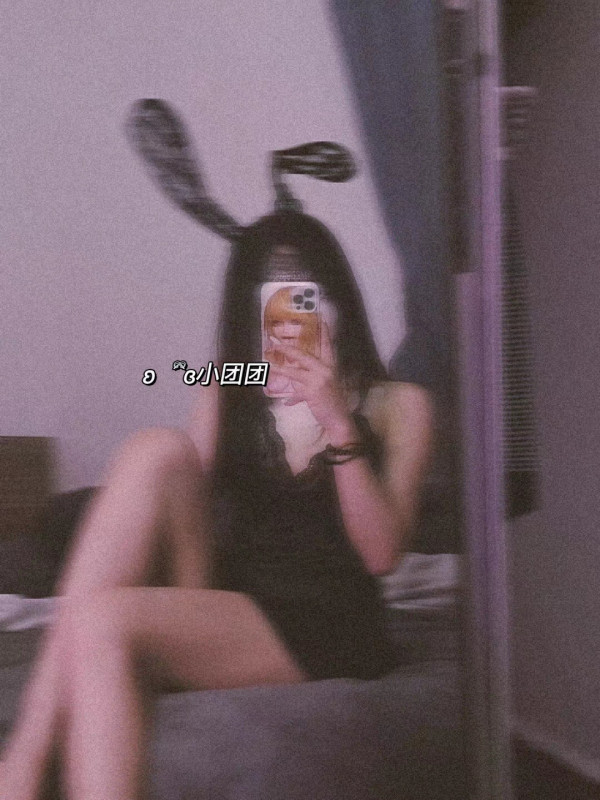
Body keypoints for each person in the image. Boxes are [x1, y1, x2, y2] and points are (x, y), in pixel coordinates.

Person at [0, 212, 434, 800]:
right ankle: (24, 763)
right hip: (228, 599)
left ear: (335, 298)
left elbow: (381, 556)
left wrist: (334, 418)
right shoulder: (229, 385)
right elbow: (186, 513)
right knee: (155, 448)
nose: (290, 316)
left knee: (99, 619)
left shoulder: (400, 403)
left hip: (326, 620)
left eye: (305, 293)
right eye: (271, 297)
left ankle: (20, 771)